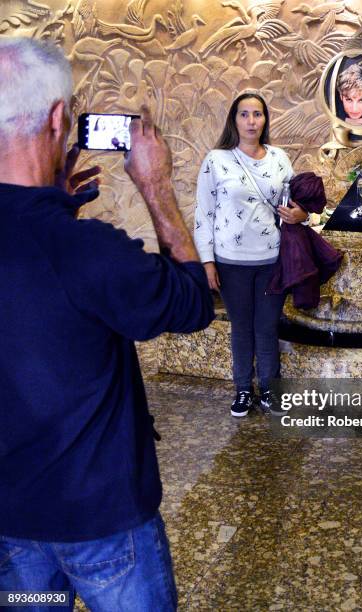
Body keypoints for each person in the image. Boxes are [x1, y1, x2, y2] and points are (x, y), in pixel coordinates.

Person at [0, 37, 214, 611]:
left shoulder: (65, 239)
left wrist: (49, 201)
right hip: (103, 523)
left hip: (9, 524)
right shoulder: (88, 251)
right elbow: (193, 302)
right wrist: (157, 186)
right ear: (56, 117)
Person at [194, 92, 307, 417]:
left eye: (257, 114)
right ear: (234, 120)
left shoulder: (279, 158)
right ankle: (243, 389)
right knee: (241, 327)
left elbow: (296, 203)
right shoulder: (217, 160)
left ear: (265, 120)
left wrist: (301, 215)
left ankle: (270, 390)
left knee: (267, 327)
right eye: (244, 114)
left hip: (272, 259)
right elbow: (204, 212)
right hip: (231, 262)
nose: (251, 121)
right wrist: (207, 260)